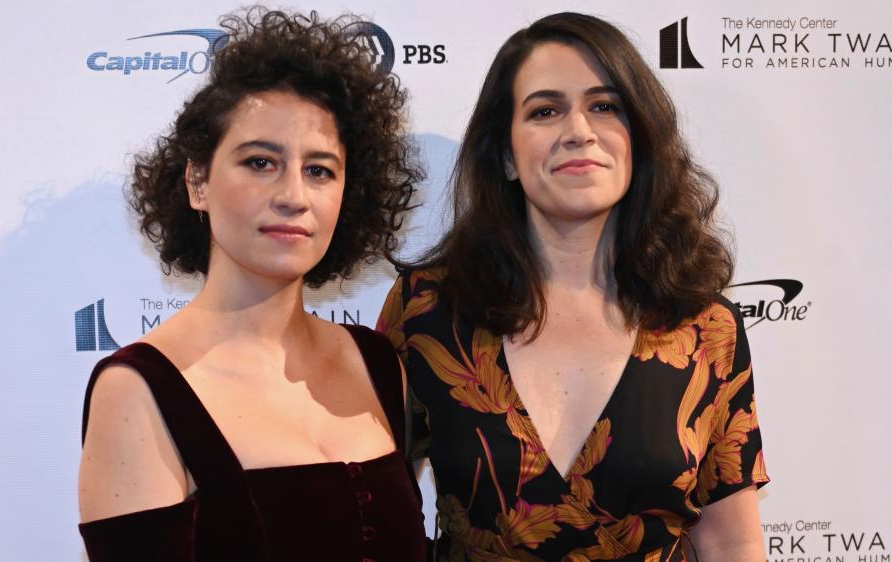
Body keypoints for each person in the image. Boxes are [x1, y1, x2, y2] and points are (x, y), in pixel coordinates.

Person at [378, 12, 768, 562]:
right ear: (507, 156)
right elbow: (376, 514)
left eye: (604, 107)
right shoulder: (427, 310)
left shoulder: (706, 326)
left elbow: (732, 540)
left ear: (639, 138)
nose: (579, 131)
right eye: (545, 111)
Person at [78, 8, 427, 561]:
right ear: (198, 181)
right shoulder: (139, 389)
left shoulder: (380, 363)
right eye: (261, 162)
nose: (293, 195)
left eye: (320, 170)